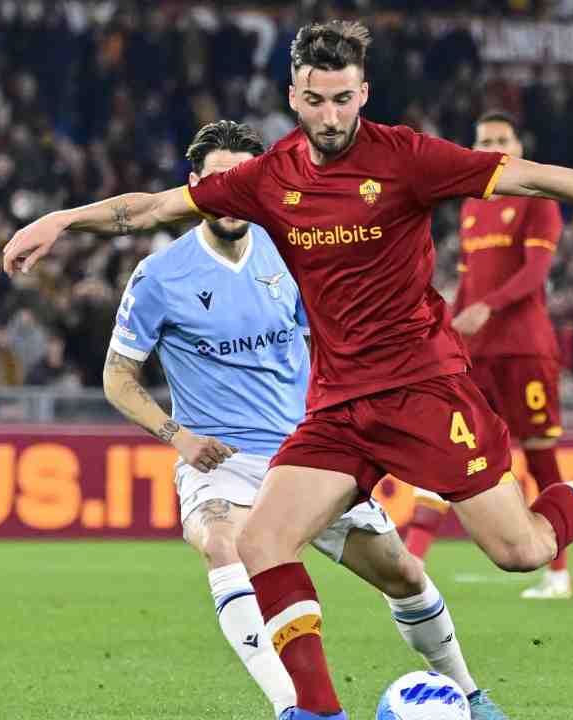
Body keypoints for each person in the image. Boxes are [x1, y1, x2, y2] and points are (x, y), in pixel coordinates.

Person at [4, 21, 573, 720]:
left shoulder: (407, 158)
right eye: (316, 100)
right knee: (261, 542)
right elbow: (155, 207)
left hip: (425, 389)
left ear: (364, 92)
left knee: (519, 549)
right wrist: (61, 219)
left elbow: (528, 177)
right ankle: (318, 712)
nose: (331, 115)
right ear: (293, 96)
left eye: (343, 99)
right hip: (340, 404)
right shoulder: (268, 176)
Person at [101, 120, 505, 720]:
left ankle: (470, 694)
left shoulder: (294, 248)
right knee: (222, 542)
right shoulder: (160, 277)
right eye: (219, 181)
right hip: (224, 461)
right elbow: (117, 377)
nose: (232, 191)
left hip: (311, 450)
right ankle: (298, 708)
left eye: (241, 178)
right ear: (197, 187)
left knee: (403, 573)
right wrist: (178, 437)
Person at [402, 111, 573, 600]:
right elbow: (468, 283)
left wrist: (485, 307)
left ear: (519, 145)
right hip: (476, 353)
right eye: (485, 141)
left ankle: (558, 571)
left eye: (503, 138)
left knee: (540, 457)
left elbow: (534, 274)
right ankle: (412, 558)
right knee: (447, 447)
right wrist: (443, 327)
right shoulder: (473, 206)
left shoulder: (538, 201)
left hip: (525, 350)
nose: (495, 146)